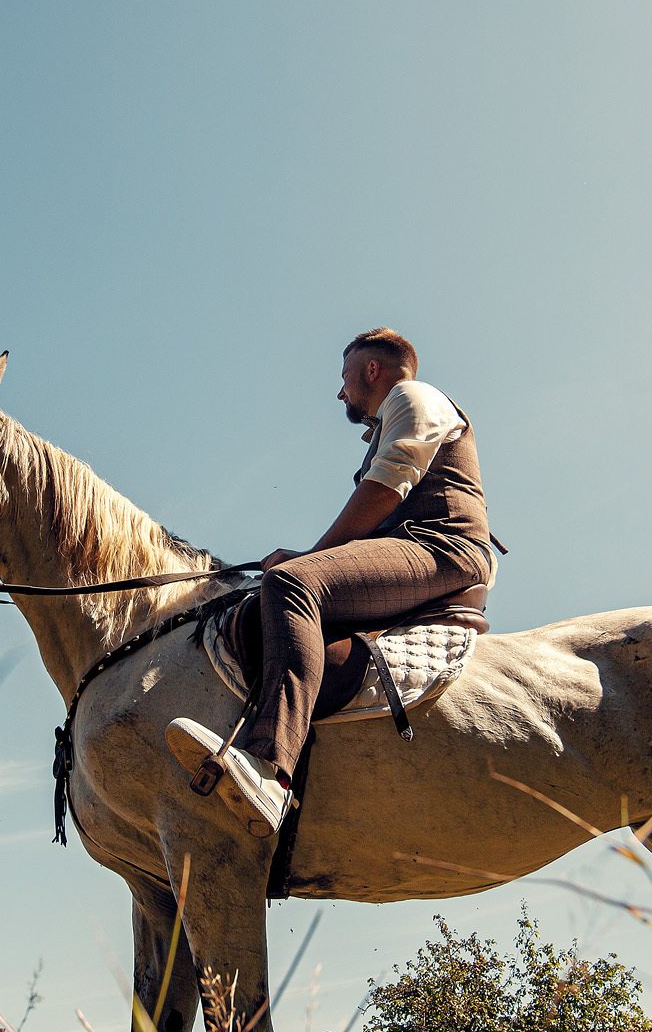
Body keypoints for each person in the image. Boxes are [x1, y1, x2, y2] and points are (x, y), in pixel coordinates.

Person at [165, 328, 494, 835]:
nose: (341, 392)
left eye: (345, 377)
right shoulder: (395, 413)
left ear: (371, 370)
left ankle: (269, 771)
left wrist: (309, 560)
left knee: (291, 584)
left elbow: (385, 489)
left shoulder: (412, 396)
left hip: (442, 548)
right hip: (419, 548)